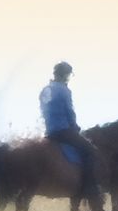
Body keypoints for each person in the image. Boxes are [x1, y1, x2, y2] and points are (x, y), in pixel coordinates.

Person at [38, 61, 100, 196]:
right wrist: (75, 127)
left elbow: (43, 111)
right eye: (68, 75)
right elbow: (70, 112)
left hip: (49, 132)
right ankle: (89, 187)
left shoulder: (45, 90)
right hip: (63, 131)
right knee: (91, 151)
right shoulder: (64, 90)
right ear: (65, 75)